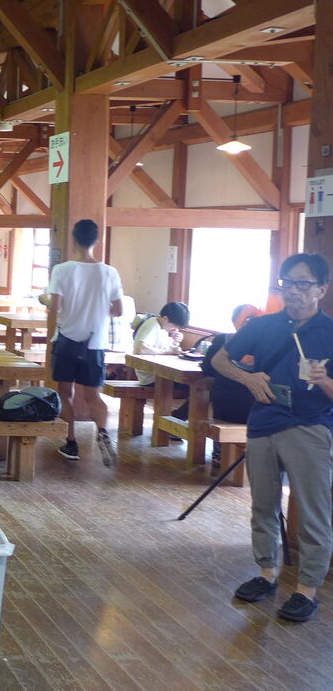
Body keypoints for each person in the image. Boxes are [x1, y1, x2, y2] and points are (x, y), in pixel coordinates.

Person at [213, 254, 333, 622]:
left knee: (313, 511)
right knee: (262, 504)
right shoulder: (263, 325)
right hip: (263, 423)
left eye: (303, 283)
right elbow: (219, 359)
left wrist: (324, 381)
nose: (293, 290)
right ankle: (266, 573)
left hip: (310, 426)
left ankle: (307, 590)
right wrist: (247, 378)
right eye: (287, 283)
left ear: (321, 289)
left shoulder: (329, 332)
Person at [46, 219, 124, 465]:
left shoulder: (62, 270)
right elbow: (118, 310)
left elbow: (55, 306)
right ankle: (102, 430)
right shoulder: (109, 272)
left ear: (74, 239)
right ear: (96, 240)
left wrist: (43, 299)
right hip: (95, 343)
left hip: (67, 340)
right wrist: (98, 310)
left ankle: (71, 443)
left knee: (65, 392)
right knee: (93, 395)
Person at [200, 304, 262, 466]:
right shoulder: (267, 345)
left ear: (235, 321)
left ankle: (219, 453)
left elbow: (208, 369)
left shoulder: (223, 340)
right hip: (256, 407)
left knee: (219, 395)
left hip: (226, 407)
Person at [133, 302, 191, 385]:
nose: (176, 330)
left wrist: (175, 342)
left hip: (158, 375)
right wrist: (169, 351)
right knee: (191, 384)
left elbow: (164, 349)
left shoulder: (162, 327)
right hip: (152, 379)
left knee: (189, 382)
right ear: (165, 318)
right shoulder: (153, 325)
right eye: (175, 326)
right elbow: (141, 349)